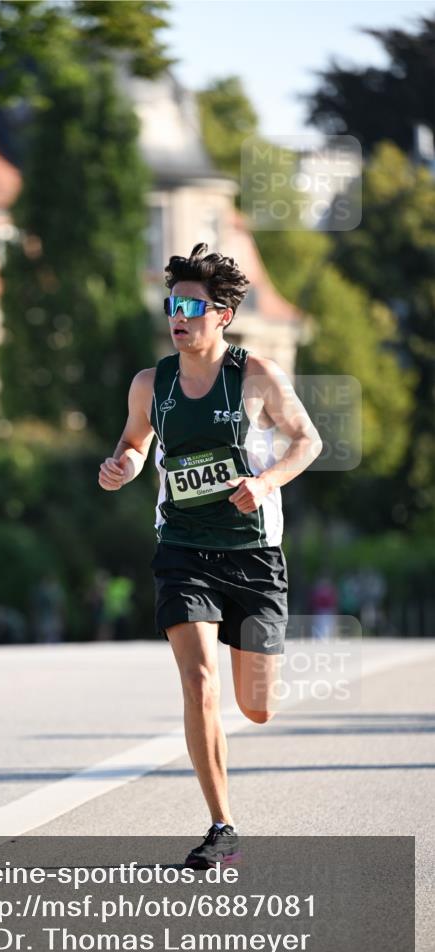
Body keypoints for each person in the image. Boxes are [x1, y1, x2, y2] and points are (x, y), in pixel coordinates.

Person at [98, 244, 322, 868]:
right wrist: (123, 467)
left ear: (222, 315)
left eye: (193, 306)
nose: (180, 315)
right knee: (199, 682)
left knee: (257, 706)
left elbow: (308, 440)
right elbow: (135, 444)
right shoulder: (151, 384)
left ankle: (256, 682)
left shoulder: (258, 378)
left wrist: (268, 481)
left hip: (253, 554)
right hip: (183, 550)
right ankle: (222, 827)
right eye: (174, 304)